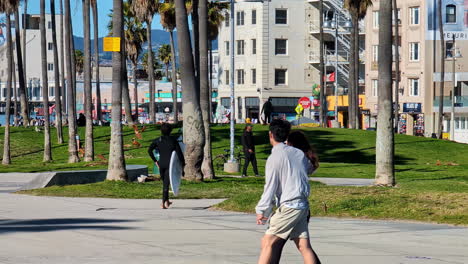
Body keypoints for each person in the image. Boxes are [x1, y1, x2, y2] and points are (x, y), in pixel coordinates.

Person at [256, 120, 321, 264]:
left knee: (267, 242)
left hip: (290, 206)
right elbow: (309, 168)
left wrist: (262, 210)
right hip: (302, 206)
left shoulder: (274, 158)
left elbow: (270, 186)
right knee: (304, 245)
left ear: (270, 135)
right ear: (286, 135)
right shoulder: (298, 153)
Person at [148, 123, 185, 209]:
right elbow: (179, 155)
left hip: (161, 164)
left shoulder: (158, 140)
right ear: (170, 131)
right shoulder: (173, 141)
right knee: (166, 184)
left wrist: (155, 161)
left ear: (161, 131)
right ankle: (163, 203)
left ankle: (167, 202)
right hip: (170, 165)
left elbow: (149, 150)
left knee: (166, 183)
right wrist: (182, 165)